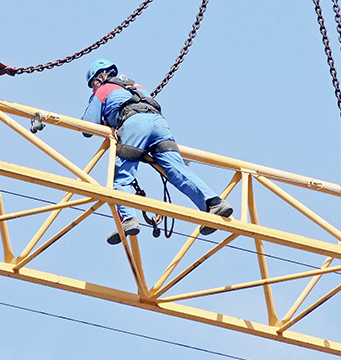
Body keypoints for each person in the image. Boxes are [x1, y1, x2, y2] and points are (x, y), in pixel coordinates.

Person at [81, 59, 233, 245]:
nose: (93, 87)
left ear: (101, 75)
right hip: (159, 124)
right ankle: (214, 203)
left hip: (135, 125)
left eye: (93, 83)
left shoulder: (103, 90)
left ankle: (128, 220)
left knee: (121, 177)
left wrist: (105, 118)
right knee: (177, 170)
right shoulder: (134, 86)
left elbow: (87, 129)